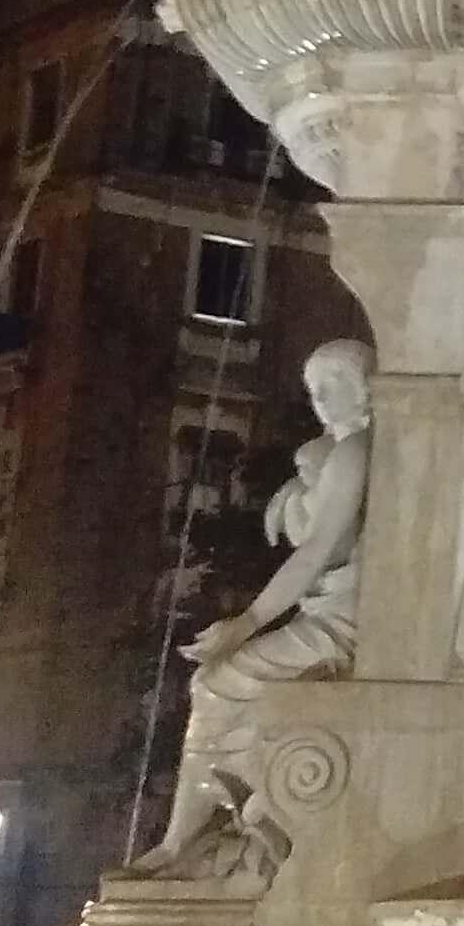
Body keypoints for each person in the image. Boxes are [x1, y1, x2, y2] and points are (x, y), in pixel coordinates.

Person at [134, 338, 371, 876]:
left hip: (346, 622)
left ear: (366, 388)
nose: (323, 400)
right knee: (213, 686)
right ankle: (216, 824)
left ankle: (194, 838)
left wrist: (247, 622)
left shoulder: (356, 452)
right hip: (327, 613)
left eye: (335, 386)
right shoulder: (337, 454)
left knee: (216, 684)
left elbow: (318, 549)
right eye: (315, 391)